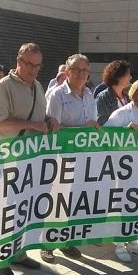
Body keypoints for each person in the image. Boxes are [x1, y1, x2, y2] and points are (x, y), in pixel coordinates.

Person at [0, 42, 47, 275]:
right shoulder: (4, 87)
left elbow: (39, 116)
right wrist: (32, 125)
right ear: (18, 60)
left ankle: (19, 253)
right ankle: (0, 259)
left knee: (25, 208)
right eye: (29, 64)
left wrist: (49, 119)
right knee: (7, 210)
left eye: (38, 65)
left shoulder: (38, 86)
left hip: (32, 160)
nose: (34, 70)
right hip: (10, 159)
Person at [42, 53, 98, 263]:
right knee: (55, 202)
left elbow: (93, 124)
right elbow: (53, 129)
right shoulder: (57, 95)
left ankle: (65, 240)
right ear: (66, 71)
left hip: (83, 158)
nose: (81, 74)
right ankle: (47, 245)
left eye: (85, 70)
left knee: (72, 202)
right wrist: (83, 129)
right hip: (60, 158)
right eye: (76, 70)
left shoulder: (90, 94)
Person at [105, 79, 138, 262]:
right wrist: (124, 132)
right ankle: (119, 243)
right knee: (121, 206)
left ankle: (133, 240)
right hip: (123, 170)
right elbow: (105, 137)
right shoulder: (122, 114)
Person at [96, 60, 131, 125]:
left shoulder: (128, 97)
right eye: (128, 75)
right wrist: (124, 128)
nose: (130, 77)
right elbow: (102, 122)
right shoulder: (103, 97)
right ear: (119, 77)